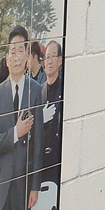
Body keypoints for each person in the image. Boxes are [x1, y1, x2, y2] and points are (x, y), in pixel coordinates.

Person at [0, 26, 44, 210]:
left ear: (27, 55)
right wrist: (14, 134)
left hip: (24, 186)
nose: (16, 56)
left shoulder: (36, 90)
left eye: (21, 51)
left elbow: (38, 142)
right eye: (12, 51)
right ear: (7, 58)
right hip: (1, 187)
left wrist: (35, 186)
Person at [39, 40, 64, 193]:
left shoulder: (65, 89)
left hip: (57, 163)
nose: (49, 61)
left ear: (60, 60)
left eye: (53, 56)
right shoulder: (38, 92)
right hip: (41, 163)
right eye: (47, 57)